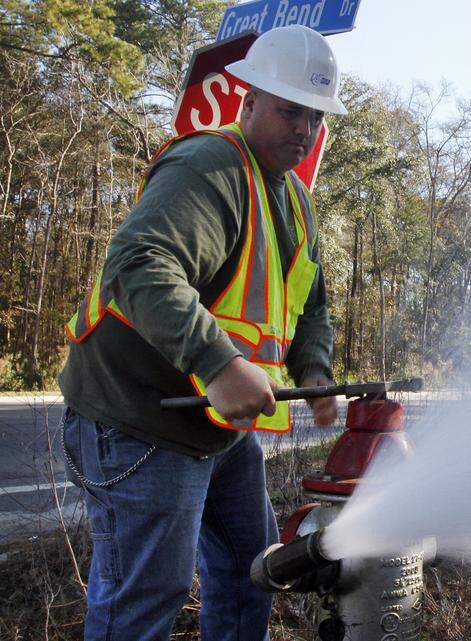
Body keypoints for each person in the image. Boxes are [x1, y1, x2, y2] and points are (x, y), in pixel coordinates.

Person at [57, 24, 347, 641]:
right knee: (147, 594)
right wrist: (217, 364)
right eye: (290, 110)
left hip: (217, 430)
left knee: (256, 572)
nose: (303, 128)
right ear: (249, 103)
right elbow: (138, 266)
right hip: (142, 420)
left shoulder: (295, 200)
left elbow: (311, 305)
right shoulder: (208, 164)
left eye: (315, 117)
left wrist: (315, 373)